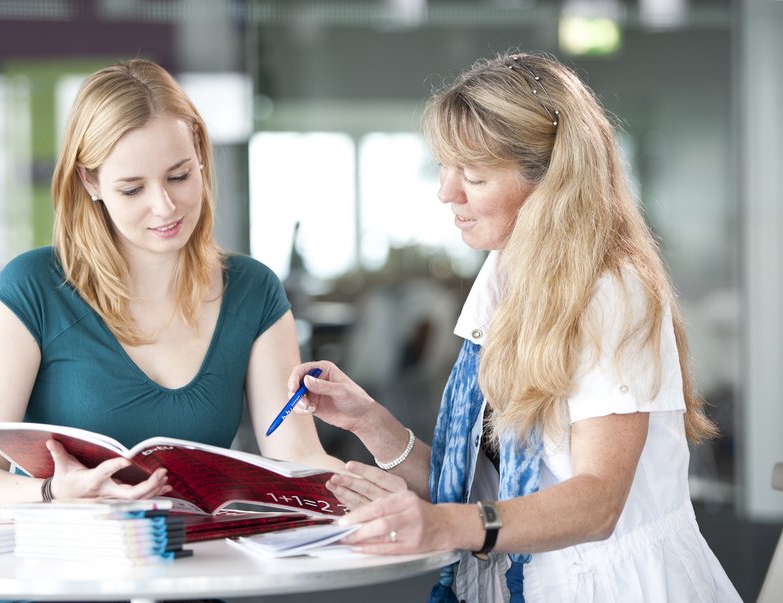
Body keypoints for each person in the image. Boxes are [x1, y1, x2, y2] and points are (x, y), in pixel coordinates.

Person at [286, 52, 741, 602]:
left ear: (549, 184)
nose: (446, 193)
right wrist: (371, 422)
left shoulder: (611, 293)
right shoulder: (505, 278)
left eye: (473, 175)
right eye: (444, 167)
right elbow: (484, 491)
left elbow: (597, 502)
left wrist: (446, 525)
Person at [0, 59, 343, 518]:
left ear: (199, 151)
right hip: (54, 570)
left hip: (182, 567)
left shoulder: (253, 291)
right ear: (90, 181)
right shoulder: (33, 289)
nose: (164, 206)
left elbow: (295, 457)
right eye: (132, 189)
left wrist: (370, 490)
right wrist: (54, 495)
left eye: (179, 176)